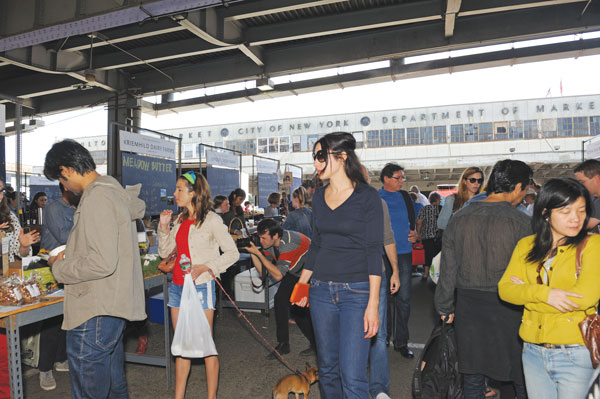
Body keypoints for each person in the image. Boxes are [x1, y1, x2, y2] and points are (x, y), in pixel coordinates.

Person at [44, 139, 147, 398]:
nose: (64, 187)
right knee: (112, 388)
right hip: (110, 306)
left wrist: (60, 267)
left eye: (61, 180)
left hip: (94, 310)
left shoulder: (96, 197)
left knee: (91, 392)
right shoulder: (111, 190)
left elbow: (101, 262)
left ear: (66, 170)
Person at [435, 159, 533, 399]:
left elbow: (448, 268)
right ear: (518, 186)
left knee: (473, 372)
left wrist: (445, 305)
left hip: (468, 303)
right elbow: (533, 271)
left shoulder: (460, 218)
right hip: (510, 306)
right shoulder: (522, 222)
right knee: (518, 371)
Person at [295, 132, 383, 398]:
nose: (316, 163)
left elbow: (373, 251)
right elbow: (317, 245)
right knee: (328, 370)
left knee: (353, 376)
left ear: (342, 156)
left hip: (356, 293)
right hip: (320, 291)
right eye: (315, 157)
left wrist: (373, 304)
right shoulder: (319, 198)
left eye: (321, 156)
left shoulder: (367, 197)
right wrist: (302, 284)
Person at [499, 177, 600, 399]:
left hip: (577, 353)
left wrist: (525, 294)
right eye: (566, 212)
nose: (576, 218)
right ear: (545, 213)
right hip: (532, 352)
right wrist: (547, 294)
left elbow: (583, 298)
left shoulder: (593, 245)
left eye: (582, 211)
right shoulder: (526, 245)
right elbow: (505, 290)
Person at [158, 171, 239, 399]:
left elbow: (232, 253)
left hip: (202, 287)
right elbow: (165, 253)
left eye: (179, 190)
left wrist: (206, 266)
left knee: (205, 346)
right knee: (181, 344)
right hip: (177, 287)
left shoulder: (212, 220)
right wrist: (164, 228)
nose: (174, 194)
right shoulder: (179, 220)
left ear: (194, 193)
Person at [244, 218, 315, 357]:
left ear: (275, 235)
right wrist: (253, 253)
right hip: (294, 270)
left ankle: (316, 344)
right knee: (281, 300)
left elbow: (277, 276)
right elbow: (262, 272)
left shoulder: (288, 243)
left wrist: (258, 254)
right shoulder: (270, 244)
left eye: (264, 238)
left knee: (298, 308)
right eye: (260, 237)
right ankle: (284, 344)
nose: (261, 241)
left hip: (312, 270)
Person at [362, 165, 400, 399]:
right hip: (347, 277)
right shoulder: (333, 202)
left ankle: (379, 389)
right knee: (352, 334)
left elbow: (388, 238)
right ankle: (354, 386)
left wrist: (395, 270)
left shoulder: (379, 204)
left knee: (379, 334)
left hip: (376, 274)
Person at [38, 182, 79, 390]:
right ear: (65, 187)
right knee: (51, 320)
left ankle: (61, 359)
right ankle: (44, 369)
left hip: (69, 266)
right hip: (51, 266)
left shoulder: (75, 209)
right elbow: (64, 237)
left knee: (66, 315)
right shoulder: (53, 208)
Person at [379, 162, 419, 358]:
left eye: (402, 177)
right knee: (383, 298)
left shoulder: (405, 196)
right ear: (386, 179)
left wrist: (416, 234)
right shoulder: (375, 198)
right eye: (398, 177)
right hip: (381, 254)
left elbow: (412, 223)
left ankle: (401, 342)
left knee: (403, 299)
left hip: (404, 252)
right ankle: (383, 339)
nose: (402, 181)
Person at [0, 179, 39, 262]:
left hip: (7, 271)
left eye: (1, 191)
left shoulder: (10, 216)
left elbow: (22, 254)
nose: (0, 196)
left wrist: (24, 246)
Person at [416, 192, 442, 280]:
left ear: (430, 200)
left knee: (428, 254)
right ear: (438, 200)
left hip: (426, 236)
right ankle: (438, 274)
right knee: (439, 256)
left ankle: (426, 273)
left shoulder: (424, 209)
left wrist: (418, 234)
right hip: (439, 237)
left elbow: (419, 222)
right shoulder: (441, 209)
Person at [574, 159, 600, 230]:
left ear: (597, 178)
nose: (580, 186)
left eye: (582, 182)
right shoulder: (591, 197)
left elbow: (586, 226)